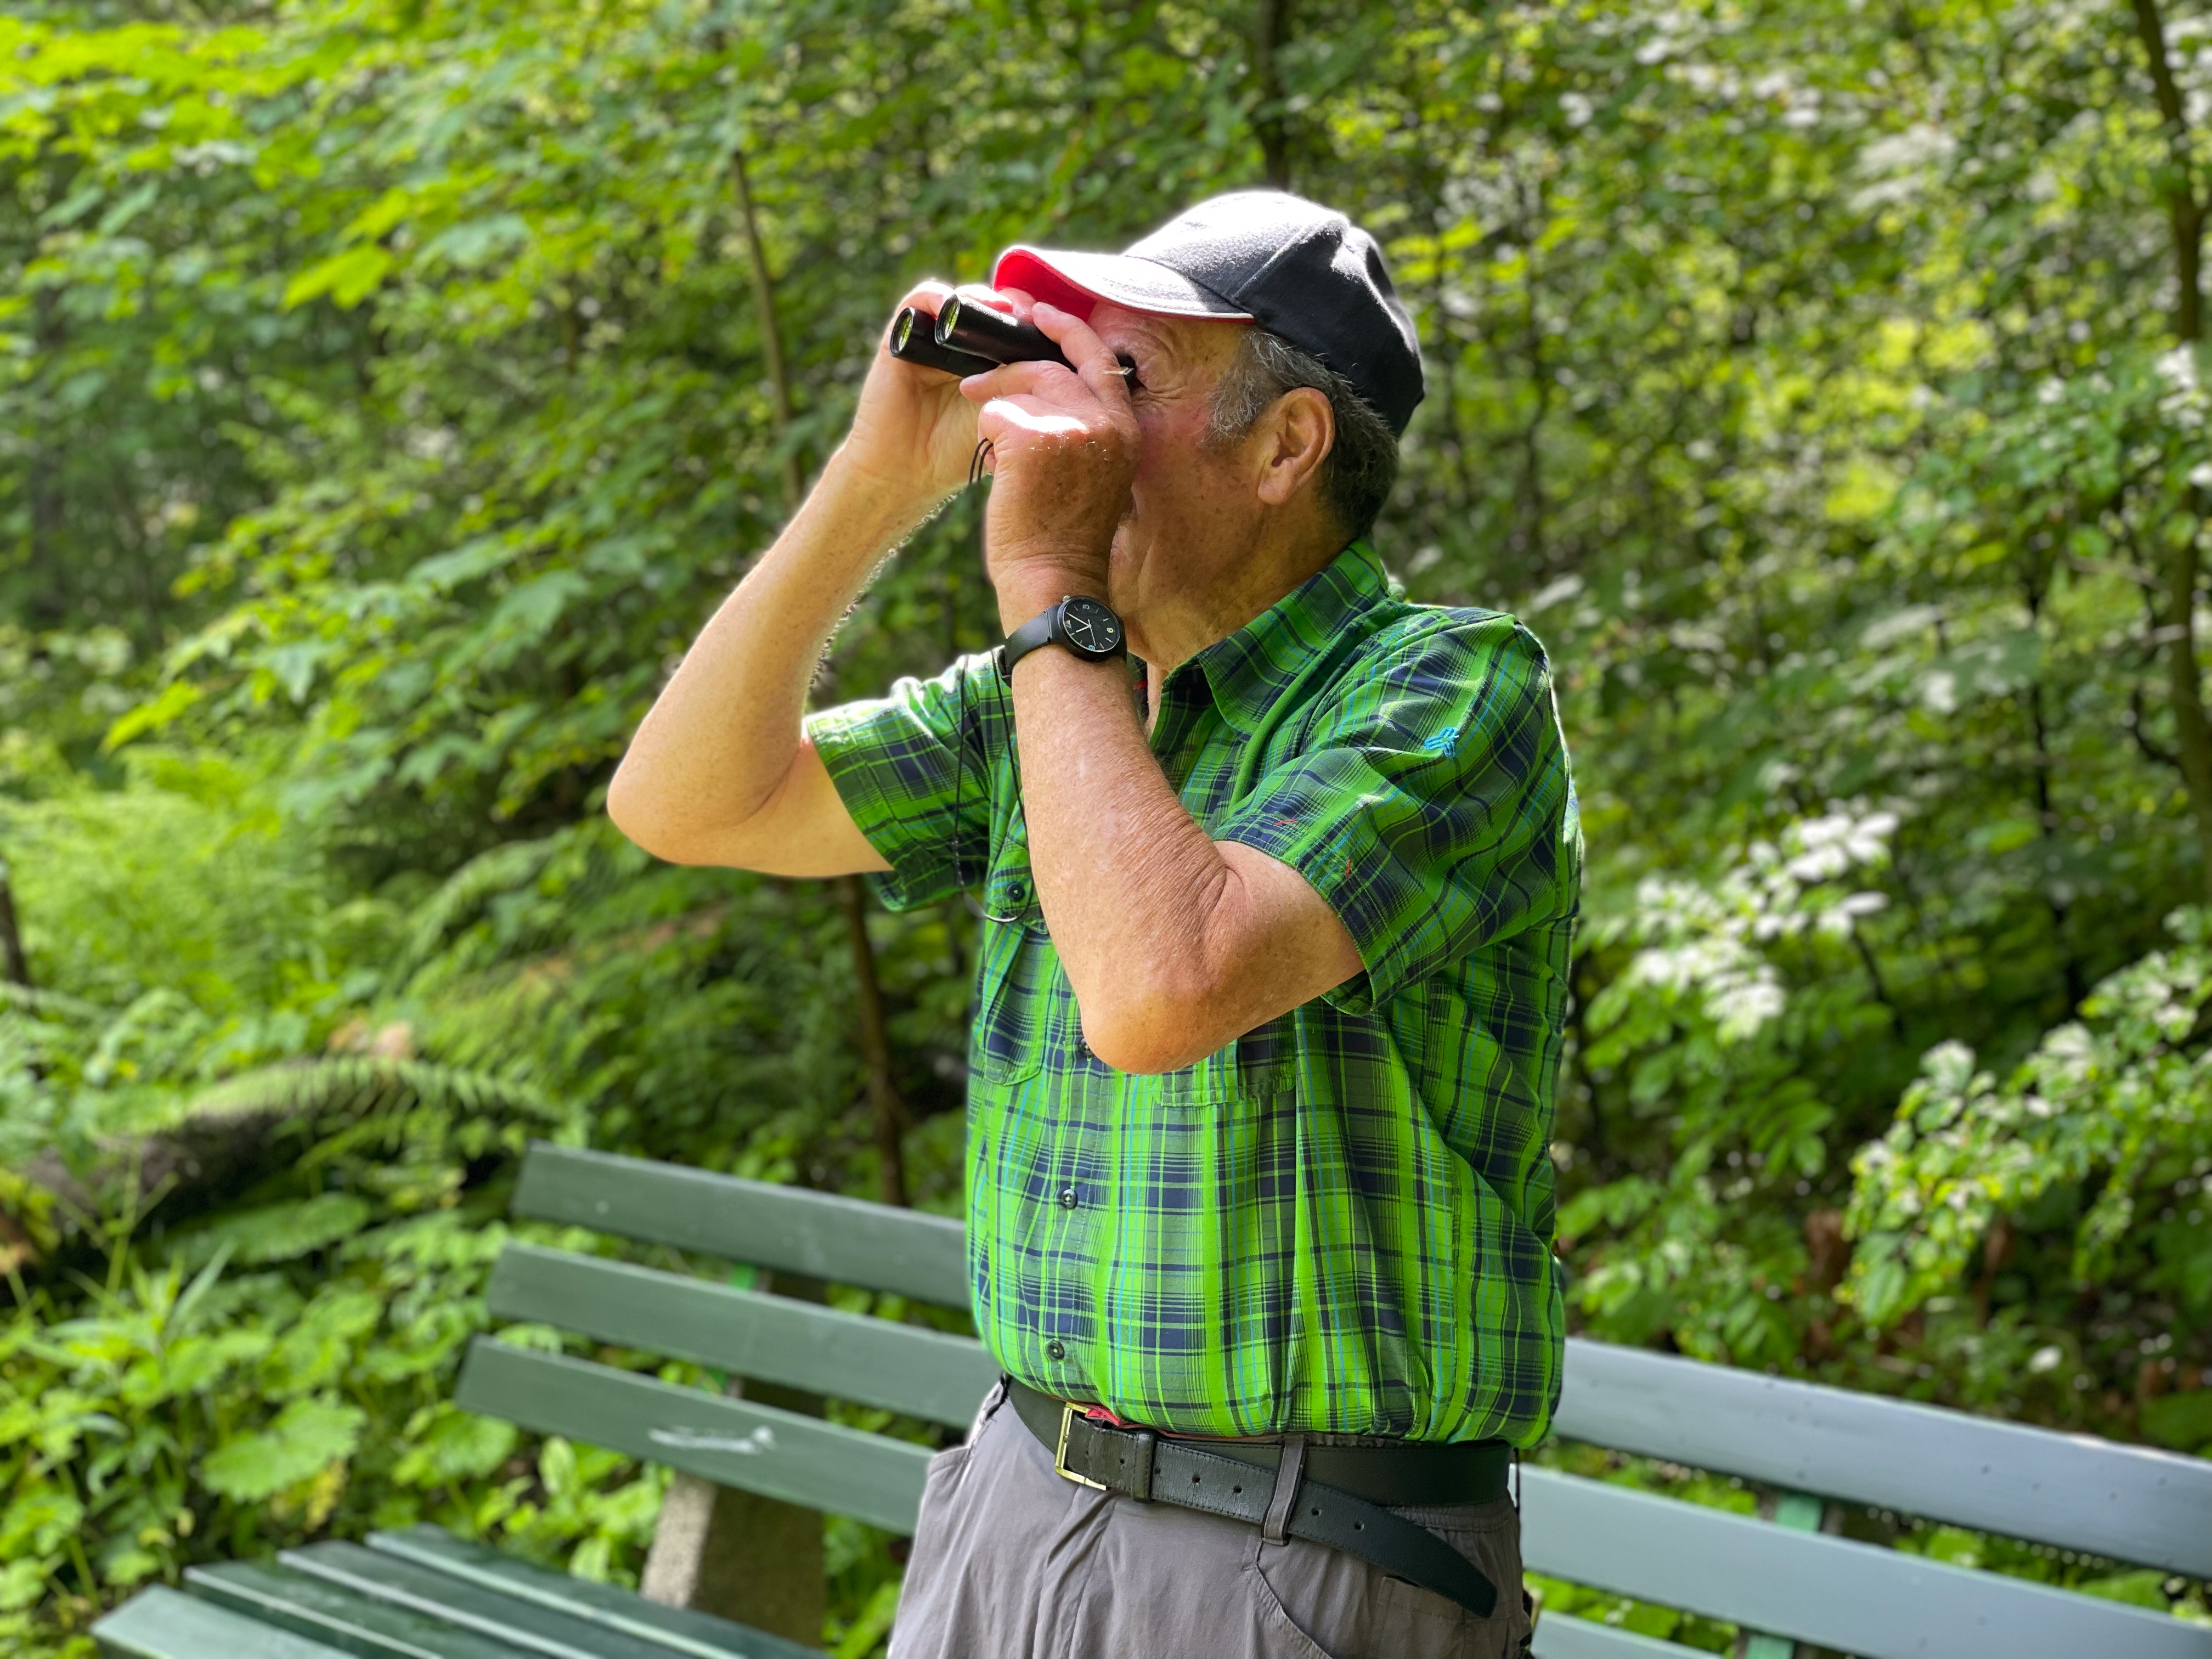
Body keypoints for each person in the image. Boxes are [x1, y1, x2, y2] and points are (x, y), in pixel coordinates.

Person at [607, 190, 1579, 1659]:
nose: (1069, 418)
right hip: (1013, 1496)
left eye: (1125, 376)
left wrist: (1051, 591)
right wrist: (879, 479)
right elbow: (686, 803)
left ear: (1285, 445)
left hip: (1301, 1549)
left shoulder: (1450, 694)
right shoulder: (1055, 697)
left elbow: (1159, 991)